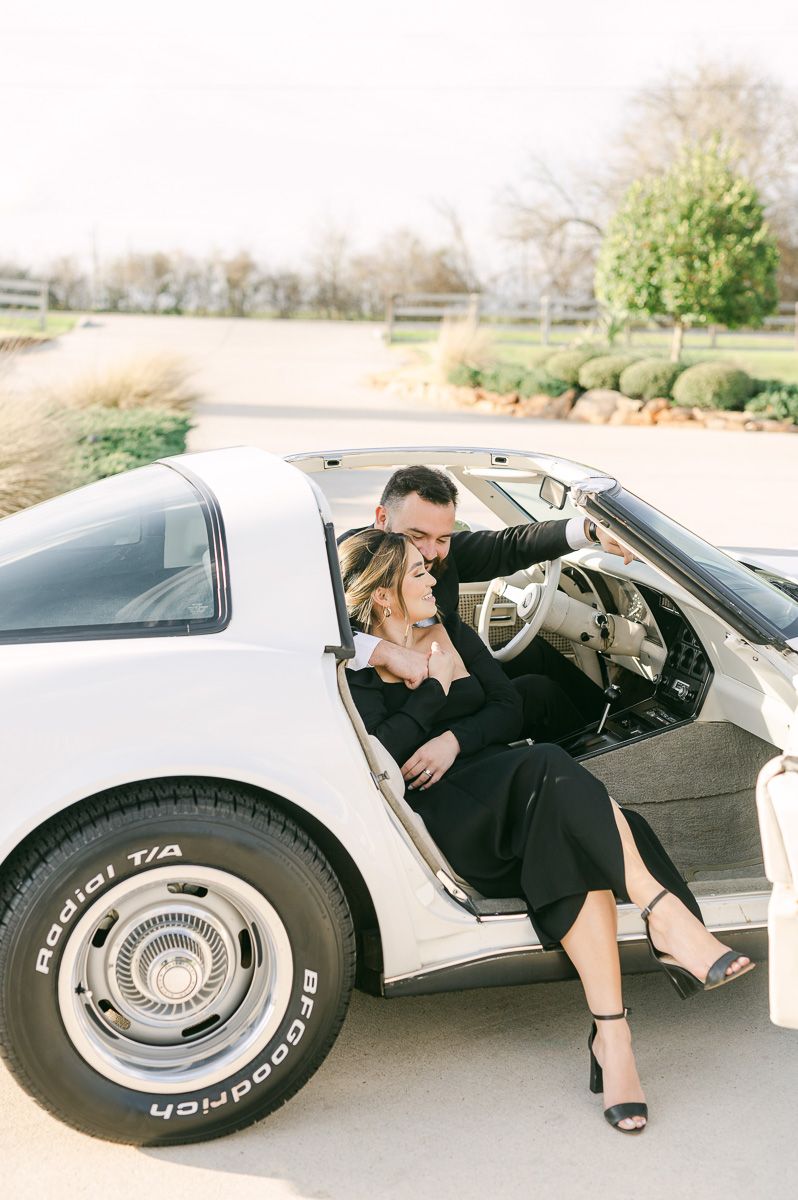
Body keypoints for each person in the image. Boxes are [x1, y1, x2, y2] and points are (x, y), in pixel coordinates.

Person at [339, 528, 755, 1135]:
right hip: (450, 812)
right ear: (381, 597)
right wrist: (430, 690)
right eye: (419, 573)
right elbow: (387, 753)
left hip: (502, 779)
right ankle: (665, 915)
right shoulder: (356, 663)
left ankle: (614, 1040)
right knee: (558, 776)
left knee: (572, 827)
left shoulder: (450, 630)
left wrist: (457, 737)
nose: (434, 577)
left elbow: (509, 706)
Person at [341, 465, 629, 742]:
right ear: (382, 518)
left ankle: (619, 725)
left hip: (451, 673)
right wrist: (383, 652)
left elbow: (510, 546)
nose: (429, 553)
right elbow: (306, 630)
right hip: (406, 702)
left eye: (442, 538)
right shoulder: (342, 563)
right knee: (539, 695)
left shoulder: (438, 554)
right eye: (416, 536)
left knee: (534, 653)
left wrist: (591, 529)